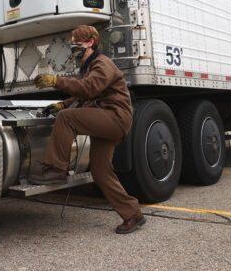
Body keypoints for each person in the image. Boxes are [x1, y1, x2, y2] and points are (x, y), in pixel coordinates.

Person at [29, 25, 145, 234]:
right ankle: (133, 214)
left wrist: (56, 81)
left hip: (114, 117)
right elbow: (83, 92)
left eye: (77, 43)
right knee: (101, 171)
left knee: (67, 119)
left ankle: (56, 169)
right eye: (72, 43)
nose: (73, 47)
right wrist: (61, 105)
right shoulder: (89, 67)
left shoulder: (102, 64)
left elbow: (89, 88)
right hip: (107, 118)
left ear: (90, 42)